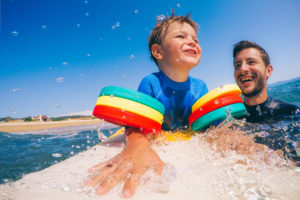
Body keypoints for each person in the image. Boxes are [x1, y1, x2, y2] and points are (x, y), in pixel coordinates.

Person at [84, 12, 208, 198]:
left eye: (195, 39)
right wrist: (137, 147)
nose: (192, 42)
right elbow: (135, 125)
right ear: (158, 52)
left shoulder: (200, 87)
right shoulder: (151, 83)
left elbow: (208, 125)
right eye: (181, 36)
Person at [233, 40, 300, 123]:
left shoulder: (290, 112)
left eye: (251, 62)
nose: (242, 69)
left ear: (268, 71)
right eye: (237, 65)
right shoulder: (231, 118)